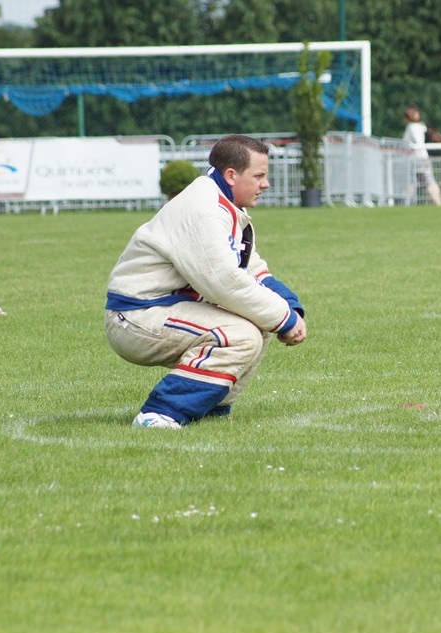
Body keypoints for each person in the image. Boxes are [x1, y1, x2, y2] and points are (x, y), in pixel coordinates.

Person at [104, 135, 307, 429]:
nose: (267, 184)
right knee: (240, 335)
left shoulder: (221, 202)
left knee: (258, 322)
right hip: (136, 316)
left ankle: (210, 405)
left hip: (163, 308)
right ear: (231, 175)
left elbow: (252, 270)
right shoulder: (204, 211)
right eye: (260, 176)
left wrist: (290, 307)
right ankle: (161, 414)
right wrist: (285, 320)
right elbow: (225, 283)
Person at [402, 104, 441, 206]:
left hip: (418, 159)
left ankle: (404, 204)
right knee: (426, 183)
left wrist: (424, 159)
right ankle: (439, 204)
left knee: (421, 183)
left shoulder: (413, 127)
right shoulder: (417, 127)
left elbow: (419, 144)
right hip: (419, 159)